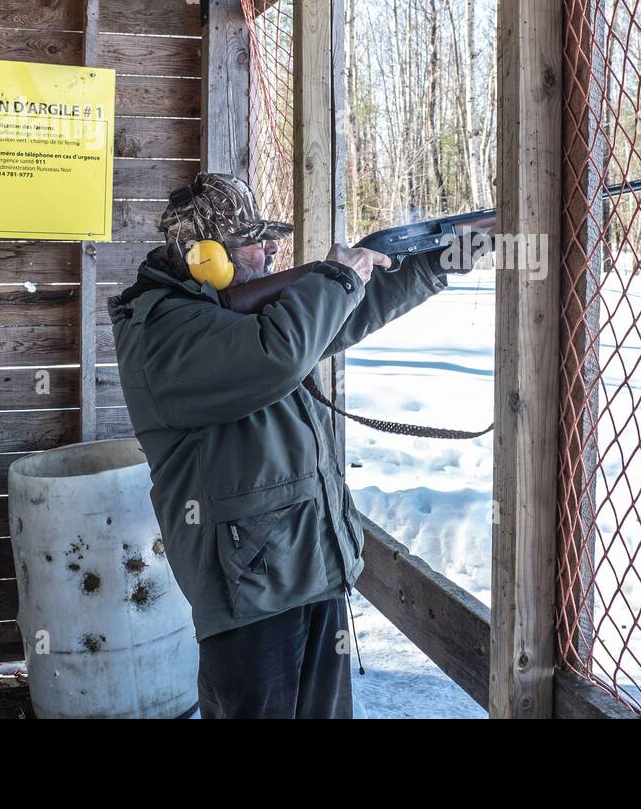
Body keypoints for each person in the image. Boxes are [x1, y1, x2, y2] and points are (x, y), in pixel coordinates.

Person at [108, 172, 454, 718]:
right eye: (253, 240)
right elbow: (280, 352)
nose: (271, 248)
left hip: (305, 565)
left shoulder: (222, 310)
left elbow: (333, 320)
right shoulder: (166, 333)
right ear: (205, 259)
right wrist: (339, 274)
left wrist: (434, 264)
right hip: (250, 592)